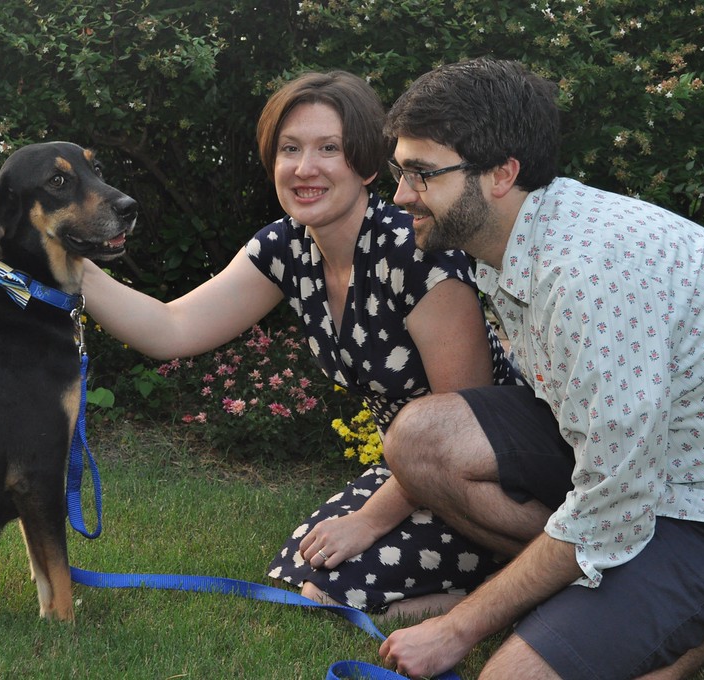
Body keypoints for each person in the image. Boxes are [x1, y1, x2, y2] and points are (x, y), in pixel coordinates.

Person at [374, 57, 704, 679]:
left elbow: (615, 500)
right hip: (648, 466)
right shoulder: (513, 240)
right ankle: (617, 604)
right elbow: (610, 474)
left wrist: (459, 627)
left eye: (421, 174)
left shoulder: (590, 274)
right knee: (420, 438)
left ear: (501, 174)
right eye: (400, 171)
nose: (402, 194)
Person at [81, 70, 523, 618]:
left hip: (490, 471)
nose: (303, 168)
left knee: (335, 592)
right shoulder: (286, 247)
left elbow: (465, 425)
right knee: (298, 569)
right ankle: (489, 590)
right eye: (289, 149)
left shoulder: (414, 250)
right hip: (408, 468)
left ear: (365, 164)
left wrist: (367, 521)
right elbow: (172, 329)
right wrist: (73, 269)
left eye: (328, 149)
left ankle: (511, 590)